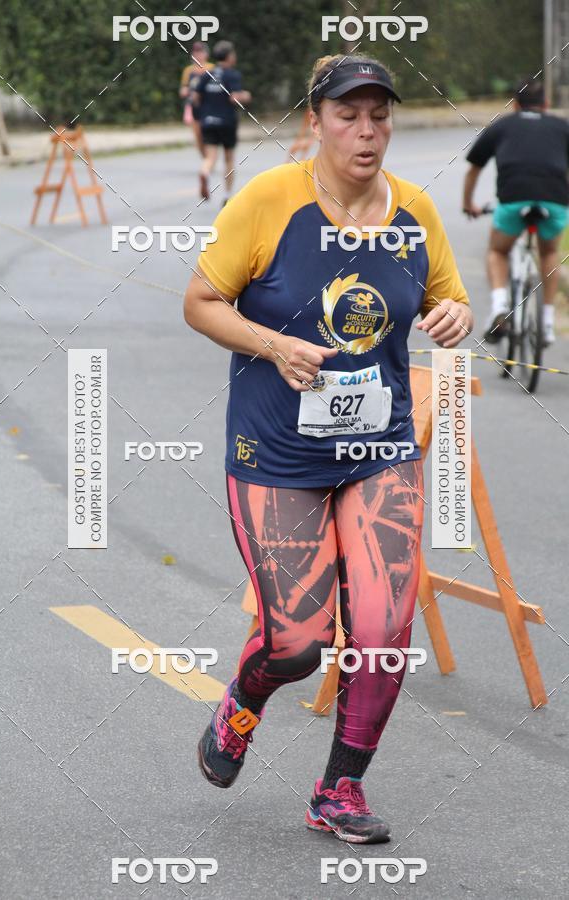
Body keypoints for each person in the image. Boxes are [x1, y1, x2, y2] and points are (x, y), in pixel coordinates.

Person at [184, 54, 472, 843]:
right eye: (349, 115)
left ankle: (338, 790)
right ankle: (244, 699)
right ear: (315, 122)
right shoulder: (268, 202)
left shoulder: (413, 210)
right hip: (278, 453)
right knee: (298, 643)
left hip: (378, 449)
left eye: (380, 115)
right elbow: (200, 302)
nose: (367, 131)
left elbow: (448, 296)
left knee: (382, 633)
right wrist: (273, 345)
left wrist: (456, 316)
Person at [463, 78, 569, 346]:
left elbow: (474, 168)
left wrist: (469, 204)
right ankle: (546, 323)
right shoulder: (561, 127)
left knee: (498, 251)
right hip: (554, 201)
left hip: (513, 199)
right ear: (546, 104)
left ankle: (500, 306)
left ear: (514, 105)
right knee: (549, 252)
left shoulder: (502, 126)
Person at [192, 40, 251, 203]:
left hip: (208, 121)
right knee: (229, 158)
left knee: (210, 157)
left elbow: (195, 97)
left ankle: (204, 172)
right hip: (227, 122)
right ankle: (226, 195)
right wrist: (246, 95)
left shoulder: (206, 74)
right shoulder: (232, 75)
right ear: (230, 57)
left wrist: (203, 112)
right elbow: (234, 98)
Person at [179, 42, 213, 158]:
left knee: (208, 133)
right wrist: (187, 91)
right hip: (195, 106)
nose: (198, 55)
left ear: (206, 54)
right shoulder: (188, 71)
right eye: (196, 52)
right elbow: (183, 88)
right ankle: (206, 159)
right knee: (198, 135)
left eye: (200, 52)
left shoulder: (211, 69)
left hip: (209, 106)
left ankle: (209, 158)